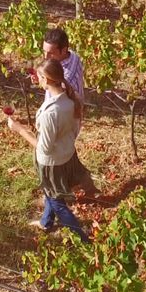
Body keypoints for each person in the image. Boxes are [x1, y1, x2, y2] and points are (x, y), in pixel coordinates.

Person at [7, 59, 91, 243]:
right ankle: (46, 222)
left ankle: (84, 239)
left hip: (52, 164)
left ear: (45, 79)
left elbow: (44, 147)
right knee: (50, 193)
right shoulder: (71, 99)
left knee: (57, 203)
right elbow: (74, 130)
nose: (36, 79)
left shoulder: (50, 113)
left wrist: (19, 129)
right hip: (67, 155)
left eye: (38, 77)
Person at [39, 28, 99, 197]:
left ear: (63, 50)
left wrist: (45, 80)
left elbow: (58, 98)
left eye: (50, 53)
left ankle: (55, 196)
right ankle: (86, 184)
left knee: (53, 156)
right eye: (44, 52)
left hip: (62, 119)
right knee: (67, 152)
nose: (46, 57)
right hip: (72, 117)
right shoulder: (74, 57)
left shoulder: (64, 79)